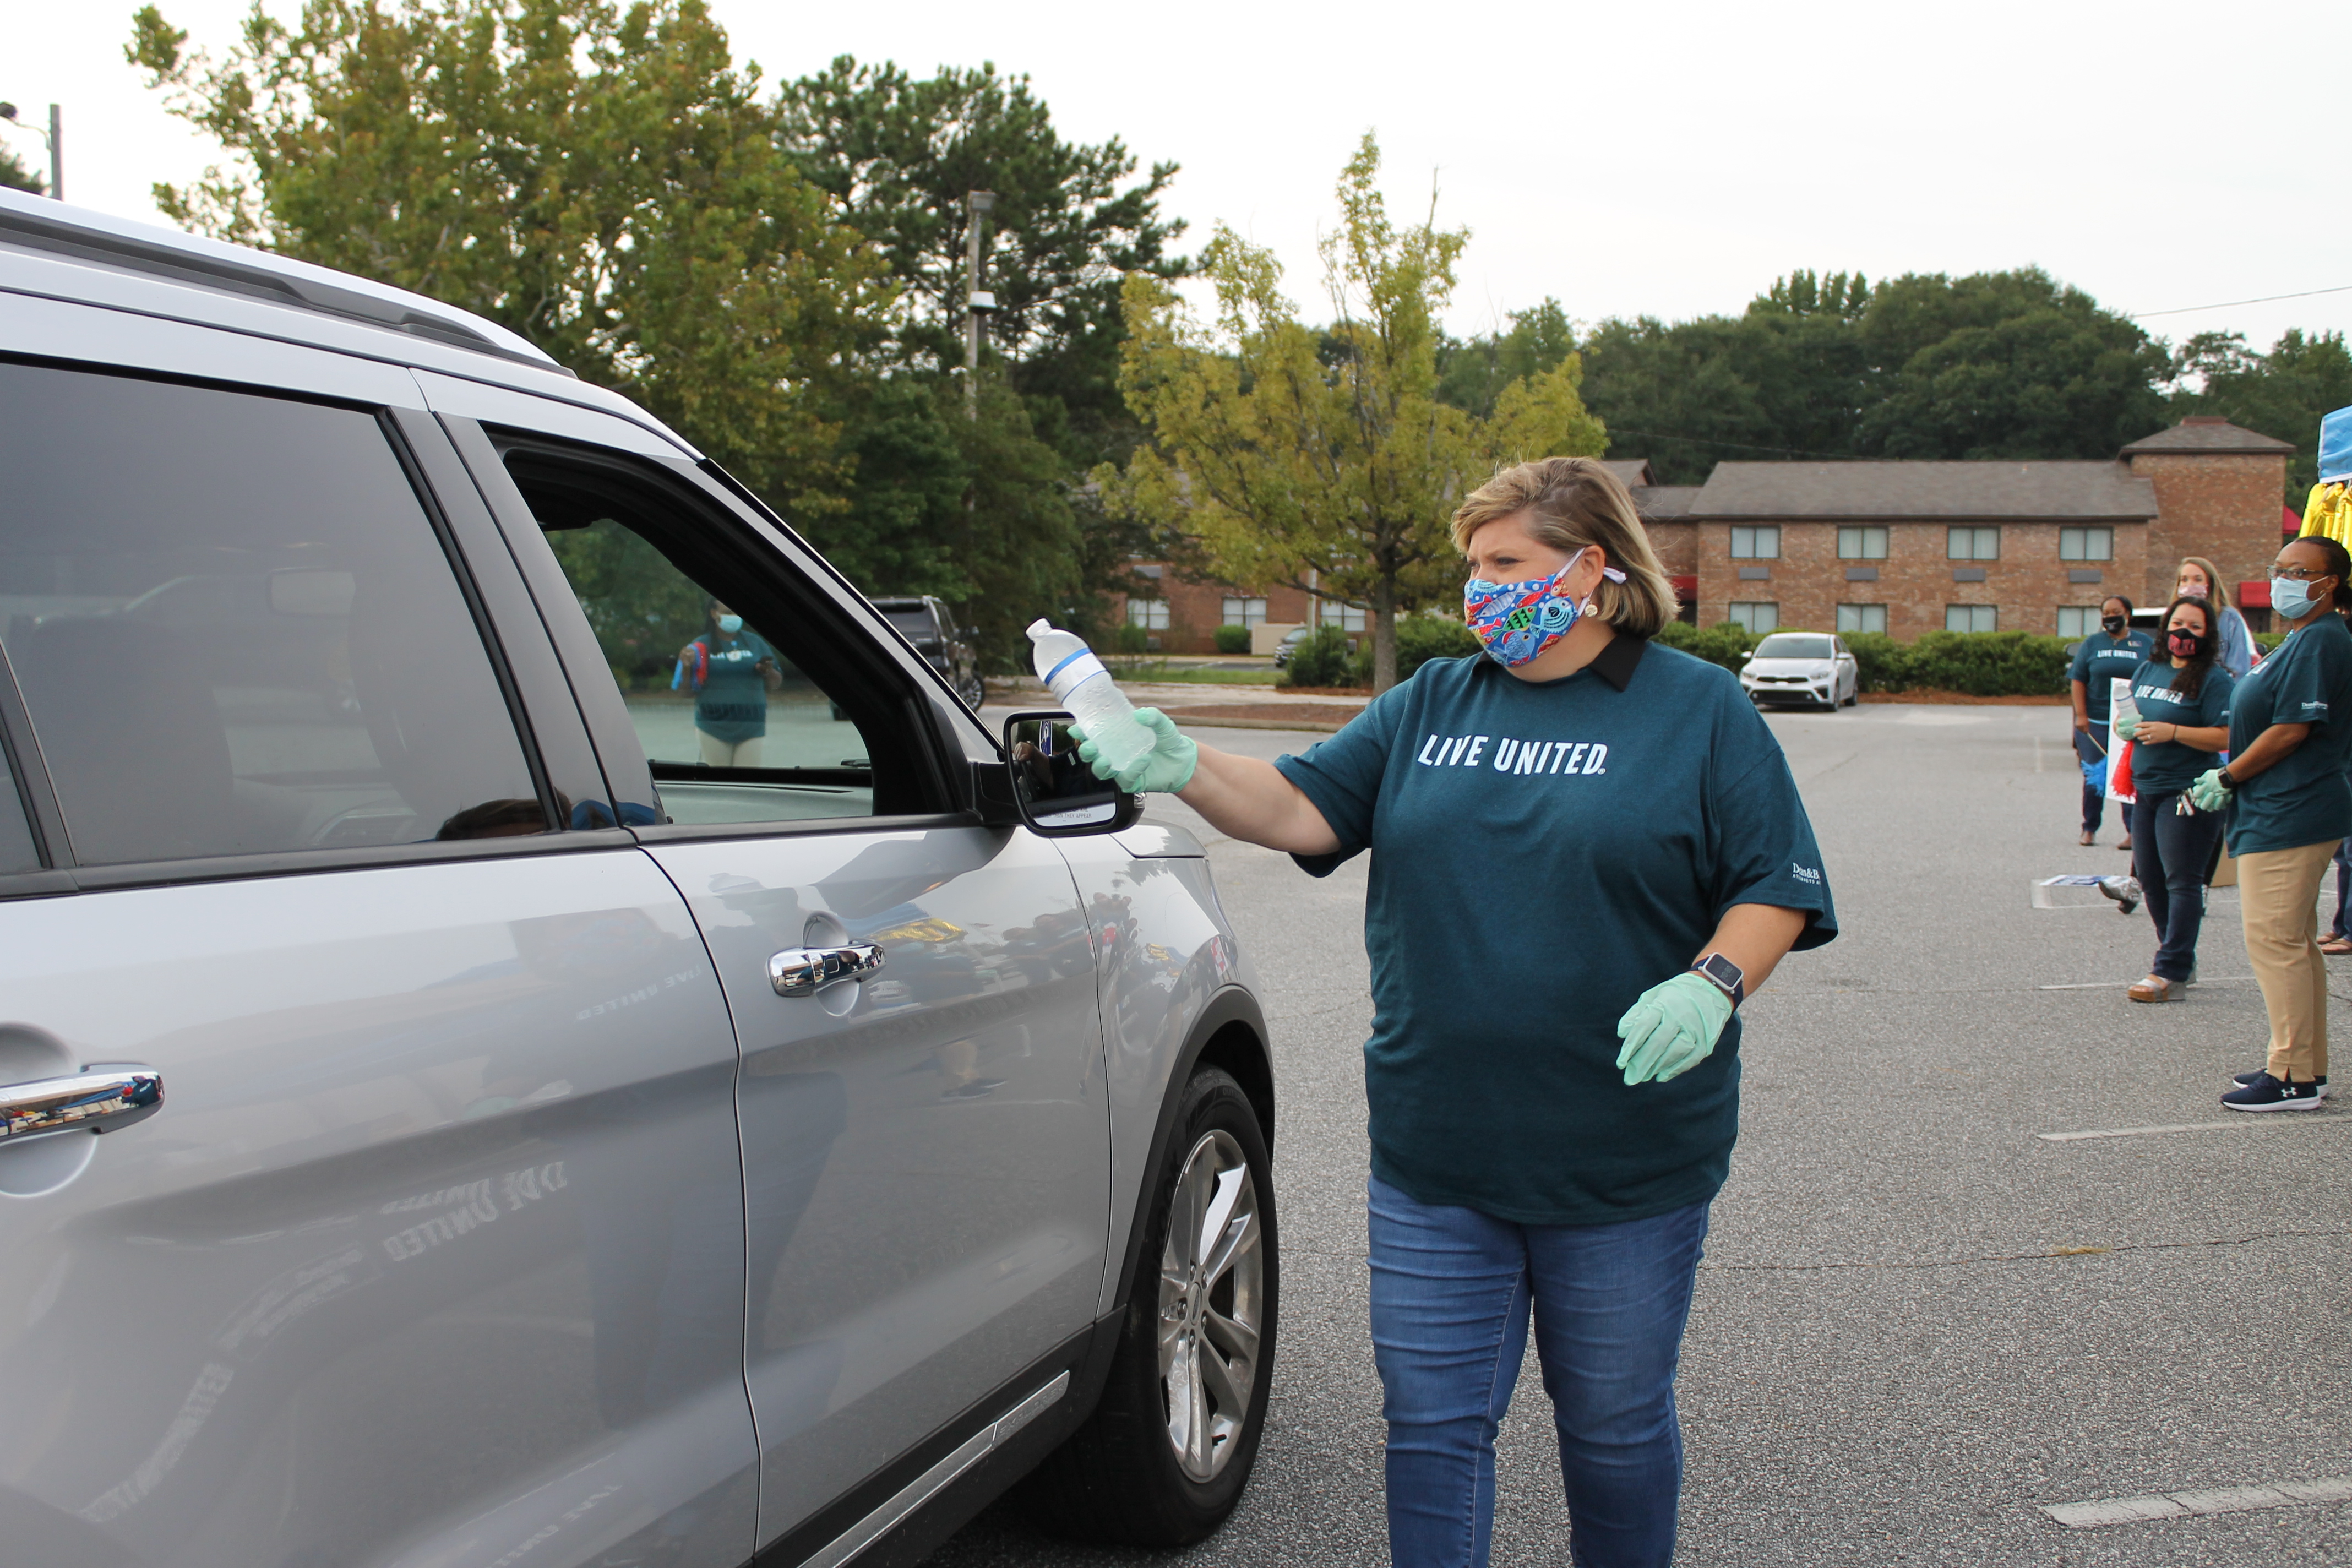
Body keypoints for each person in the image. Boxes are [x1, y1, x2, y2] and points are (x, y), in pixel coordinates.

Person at [1072, 456, 1836, 1568]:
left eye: (1504, 563)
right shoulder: (1434, 699)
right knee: (1433, 1431)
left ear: (1591, 567)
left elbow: (1773, 880)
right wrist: (1183, 762)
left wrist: (1712, 980)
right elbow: (1301, 806)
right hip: (1440, 1149)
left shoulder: (1697, 708)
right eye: (1472, 565)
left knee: (1615, 1430)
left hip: (1622, 1154)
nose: (1479, 587)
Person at [2189, 534, 2352, 1109]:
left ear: (2328, 582)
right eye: (2278, 568)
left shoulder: (2321, 641)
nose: (2284, 579)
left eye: (2298, 570)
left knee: (2275, 943)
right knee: (2296, 944)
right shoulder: (2305, 638)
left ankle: (2292, 1077)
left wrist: (2228, 776)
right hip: (2283, 808)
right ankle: (2302, 1062)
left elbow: (2290, 729)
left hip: (2292, 808)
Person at [2110, 597, 2234, 1001]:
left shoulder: (2216, 680)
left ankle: (2170, 971)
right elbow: (2131, 714)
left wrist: (2173, 732)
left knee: (2182, 879)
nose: (2183, 633)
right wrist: (2126, 727)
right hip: (2146, 787)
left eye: (2194, 627)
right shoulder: (2150, 667)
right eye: (2177, 624)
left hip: (2189, 790)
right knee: (2150, 879)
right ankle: (2177, 955)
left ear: (2208, 635)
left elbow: (2227, 736)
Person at [2068, 597, 2154, 849]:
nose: (2110, 617)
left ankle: (2132, 831)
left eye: (2115, 612)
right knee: (2095, 775)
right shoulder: (2093, 644)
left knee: (2129, 773)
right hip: (2095, 721)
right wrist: (2081, 715)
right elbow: (2078, 679)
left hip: (2129, 722)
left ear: (2127, 614)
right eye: (2106, 613)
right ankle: (2090, 827)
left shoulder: (2144, 643)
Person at [677, 601, 781, 767]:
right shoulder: (699, 647)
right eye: (728, 612)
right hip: (713, 727)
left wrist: (766, 671)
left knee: (747, 784)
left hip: (751, 726)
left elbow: (776, 683)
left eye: (736, 613)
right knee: (721, 783)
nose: (733, 617)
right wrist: (687, 668)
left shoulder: (755, 643)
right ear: (714, 614)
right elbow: (685, 692)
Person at [2171, 556, 2255, 678]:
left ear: (2210, 584)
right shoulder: (2172, 619)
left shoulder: (2228, 618)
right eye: (2184, 580)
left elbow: (2239, 669)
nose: (2190, 585)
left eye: (2198, 580)